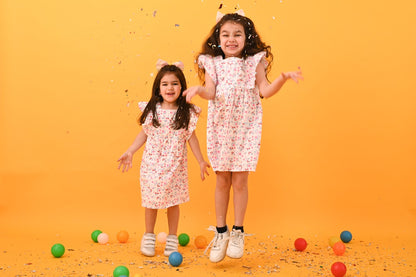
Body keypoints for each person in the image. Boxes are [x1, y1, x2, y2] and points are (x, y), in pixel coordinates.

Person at [183, 11, 303, 262]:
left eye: (237, 34)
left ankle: (238, 230)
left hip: (246, 130)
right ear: (218, 38)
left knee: (240, 182)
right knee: (222, 181)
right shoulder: (212, 62)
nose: (231, 39)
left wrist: (282, 78)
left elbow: (265, 91)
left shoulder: (254, 62)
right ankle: (221, 232)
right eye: (225, 34)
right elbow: (210, 92)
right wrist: (198, 90)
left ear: (247, 38)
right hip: (221, 129)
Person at [118, 60, 210, 257]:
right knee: (150, 202)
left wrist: (201, 161)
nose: (170, 88)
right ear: (158, 88)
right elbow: (144, 134)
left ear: (182, 87)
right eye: (165, 84)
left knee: (173, 202)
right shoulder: (152, 110)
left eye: (175, 83)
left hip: (175, 165)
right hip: (152, 164)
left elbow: (191, 138)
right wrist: (130, 151)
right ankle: (149, 236)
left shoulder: (186, 112)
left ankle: (172, 238)